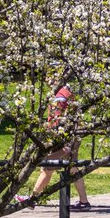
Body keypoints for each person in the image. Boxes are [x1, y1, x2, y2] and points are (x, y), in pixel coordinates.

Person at [15, 80, 90, 210]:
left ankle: (32, 200)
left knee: (47, 167)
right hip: (73, 137)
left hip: (63, 139)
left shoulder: (60, 96)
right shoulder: (68, 93)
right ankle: (84, 202)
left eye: (51, 77)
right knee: (73, 168)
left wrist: (50, 135)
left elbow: (58, 120)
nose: (48, 80)